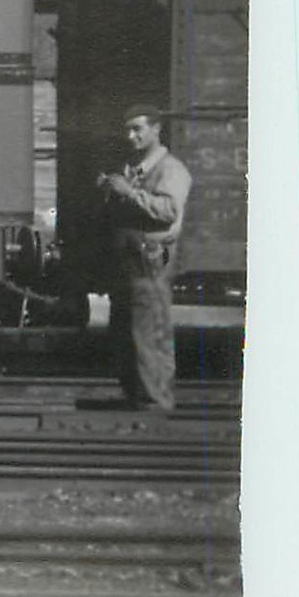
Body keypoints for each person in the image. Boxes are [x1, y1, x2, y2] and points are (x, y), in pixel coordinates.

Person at [96, 104, 193, 411]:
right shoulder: (135, 168)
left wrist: (128, 192)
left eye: (137, 129)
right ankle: (137, 396)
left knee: (149, 332)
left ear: (156, 129)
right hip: (129, 264)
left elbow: (168, 211)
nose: (130, 136)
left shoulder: (170, 169)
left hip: (150, 264)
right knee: (127, 332)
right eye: (127, 129)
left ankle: (155, 402)